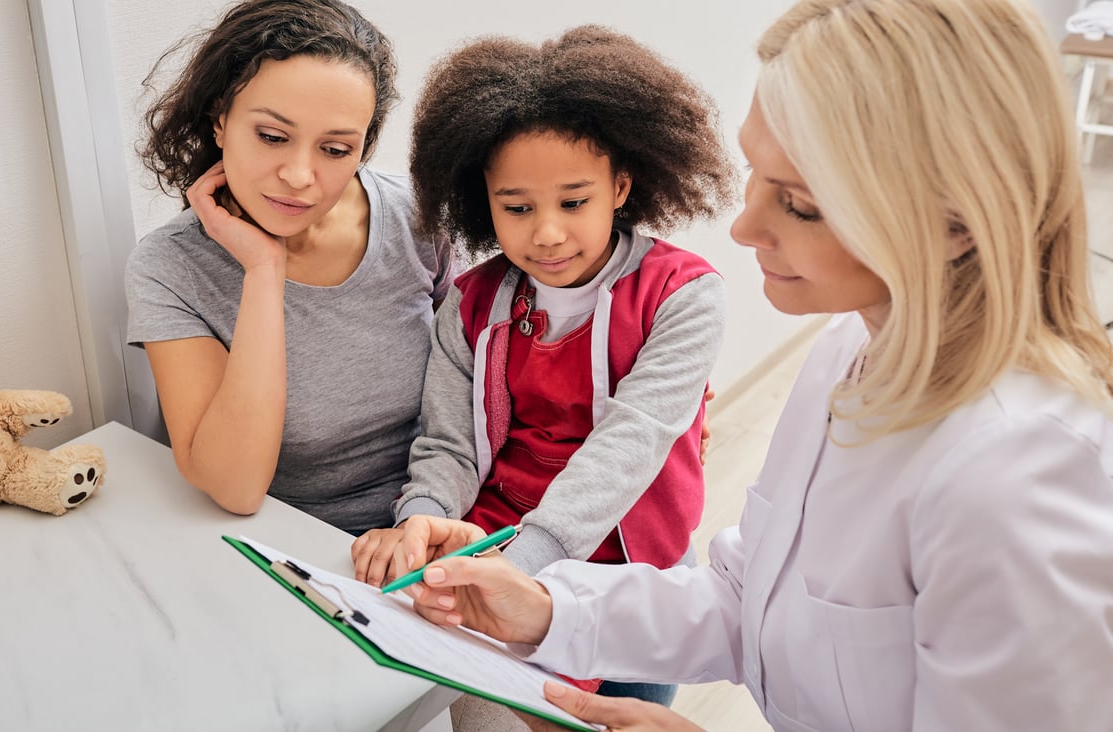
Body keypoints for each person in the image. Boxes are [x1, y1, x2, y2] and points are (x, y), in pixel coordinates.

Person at [386, 0, 1113, 729]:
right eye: (756, 176)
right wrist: (544, 610)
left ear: (956, 219)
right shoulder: (843, 354)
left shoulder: (1019, 476)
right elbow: (747, 594)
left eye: (798, 204)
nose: (743, 226)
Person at [350, 26, 735, 707]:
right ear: (482, 201)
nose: (547, 232)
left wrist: (526, 562)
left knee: (628, 709)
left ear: (621, 185)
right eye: (517, 207)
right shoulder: (470, 304)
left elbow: (630, 443)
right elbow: (447, 443)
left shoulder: (684, 295)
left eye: (573, 201)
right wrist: (421, 514)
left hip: (633, 554)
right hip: (493, 543)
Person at [124, 0, 456, 535]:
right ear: (220, 121)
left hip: (435, 522)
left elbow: (473, 401)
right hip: (283, 546)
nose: (300, 175)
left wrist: (427, 518)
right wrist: (262, 271)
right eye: (273, 137)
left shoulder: (417, 219)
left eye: (335, 148)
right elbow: (235, 486)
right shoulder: (170, 267)